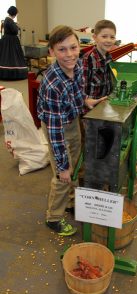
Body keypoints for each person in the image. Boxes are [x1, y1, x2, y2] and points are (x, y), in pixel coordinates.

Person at [37, 25, 106, 236]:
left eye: (73, 47)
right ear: (51, 52)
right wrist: (61, 166)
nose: (69, 54)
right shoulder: (52, 84)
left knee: (75, 163)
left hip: (71, 118)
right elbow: (56, 134)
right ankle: (54, 218)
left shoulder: (77, 66)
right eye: (62, 49)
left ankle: (70, 202)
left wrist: (87, 100)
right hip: (55, 127)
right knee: (63, 175)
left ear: (80, 46)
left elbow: (77, 91)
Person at [82, 19, 116, 99]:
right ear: (95, 37)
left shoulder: (110, 57)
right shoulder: (88, 59)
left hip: (105, 102)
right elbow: (81, 88)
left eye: (112, 37)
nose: (109, 40)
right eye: (104, 36)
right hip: (91, 107)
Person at [0, 6, 28, 80]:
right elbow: (15, 31)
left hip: (6, 40)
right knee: (13, 57)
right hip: (11, 41)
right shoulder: (10, 21)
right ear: (14, 13)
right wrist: (17, 26)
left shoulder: (6, 20)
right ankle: (12, 74)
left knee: (6, 56)